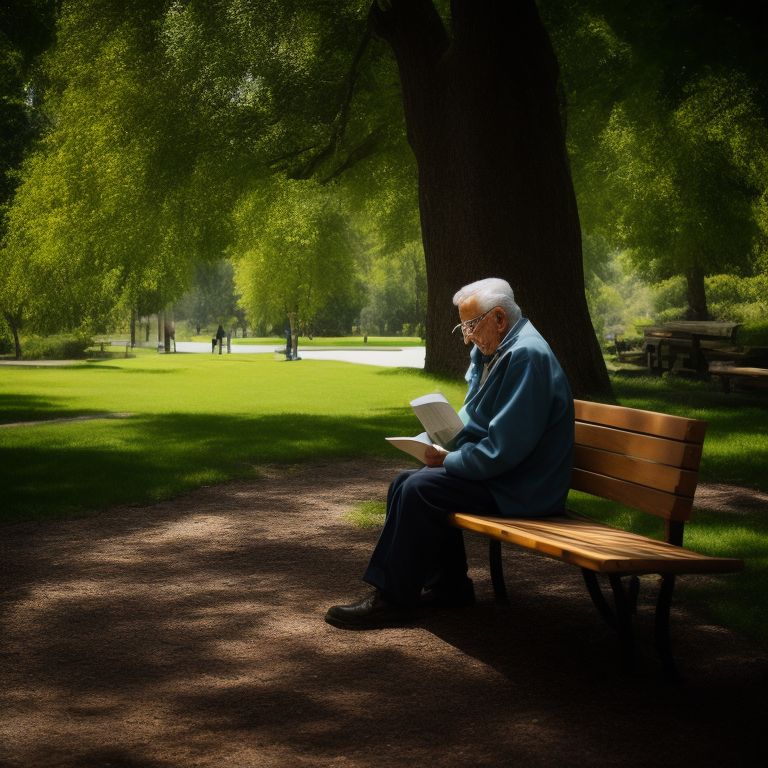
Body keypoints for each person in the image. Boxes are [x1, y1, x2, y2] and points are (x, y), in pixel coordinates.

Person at [325, 277, 574, 629]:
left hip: (523, 486)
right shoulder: (497, 349)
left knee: (419, 490)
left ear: (499, 319)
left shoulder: (526, 356)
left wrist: (450, 460)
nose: (468, 337)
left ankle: (394, 598)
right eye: (463, 327)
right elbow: (472, 420)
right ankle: (449, 587)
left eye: (472, 325)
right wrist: (432, 440)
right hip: (505, 476)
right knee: (404, 483)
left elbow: (504, 450)